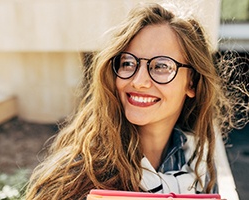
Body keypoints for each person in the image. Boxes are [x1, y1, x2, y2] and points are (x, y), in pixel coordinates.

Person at [25, 2, 241, 200]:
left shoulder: (199, 167)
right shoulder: (79, 175)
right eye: (128, 63)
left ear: (192, 83)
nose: (138, 81)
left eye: (161, 66)